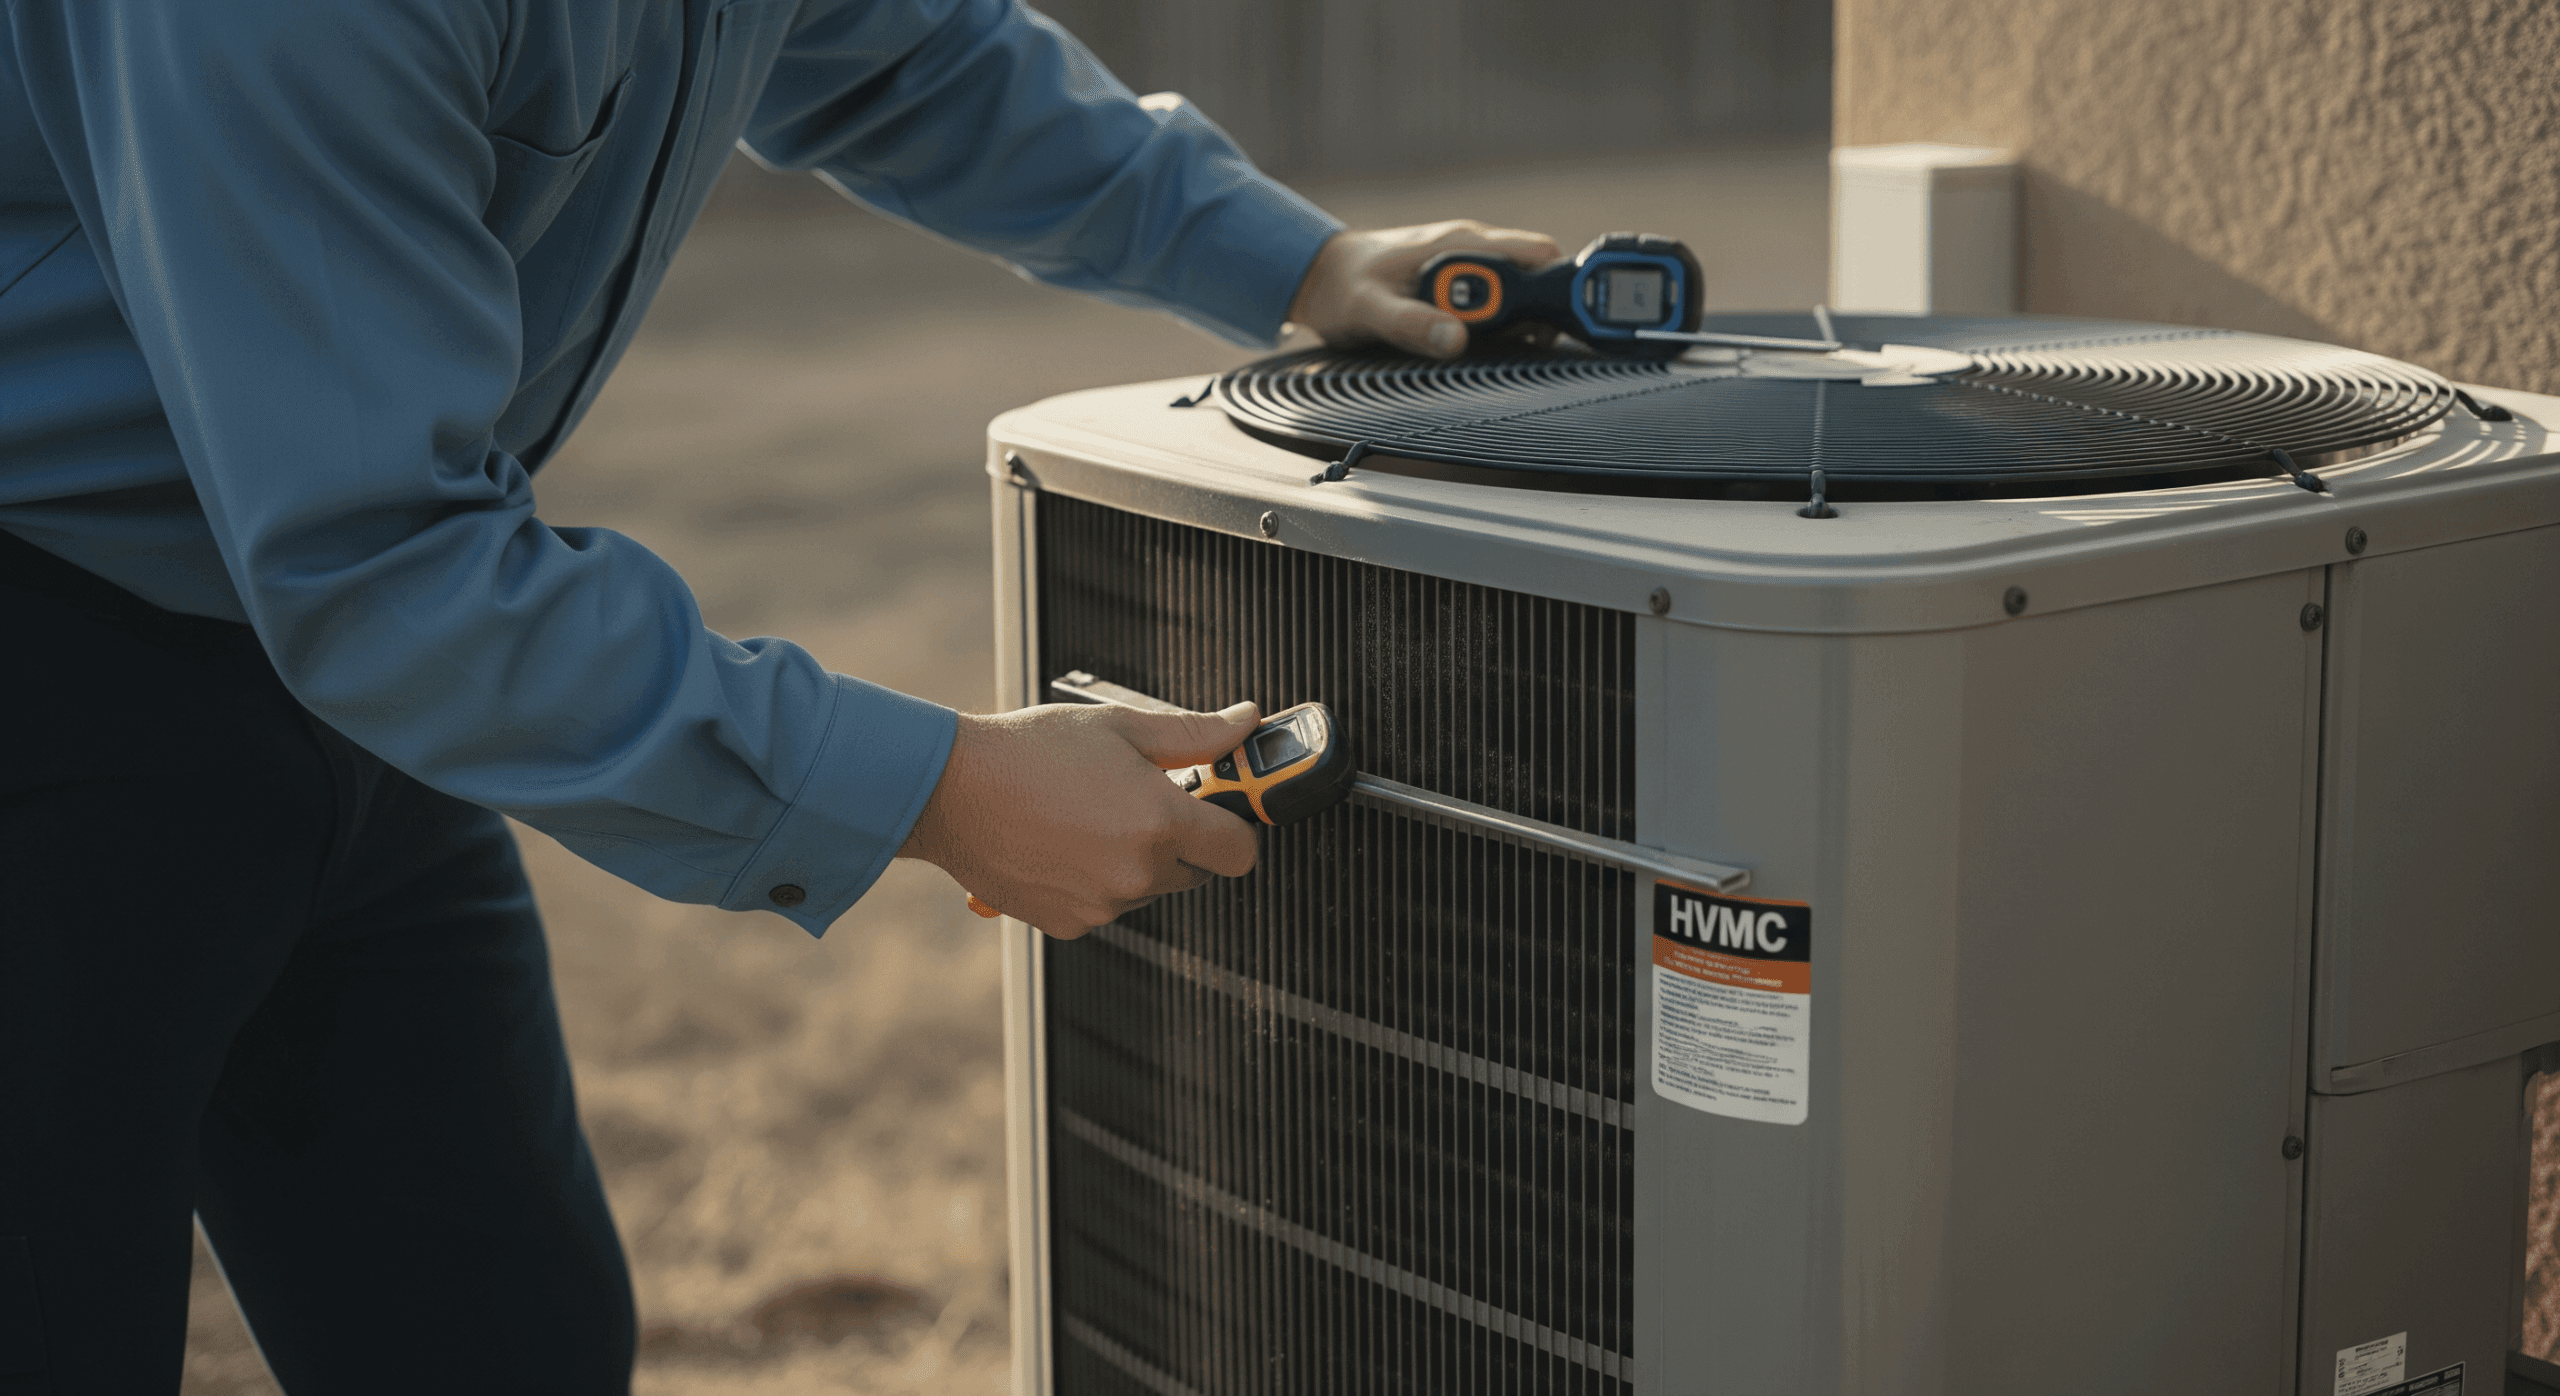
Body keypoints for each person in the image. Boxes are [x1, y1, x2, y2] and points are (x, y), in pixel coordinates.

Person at [0, 0, 1560, 1389]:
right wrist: (942, 790)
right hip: (59, 657)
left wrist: (1295, 261)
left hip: (348, 704)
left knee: (500, 1338)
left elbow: (918, 58)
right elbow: (384, 566)